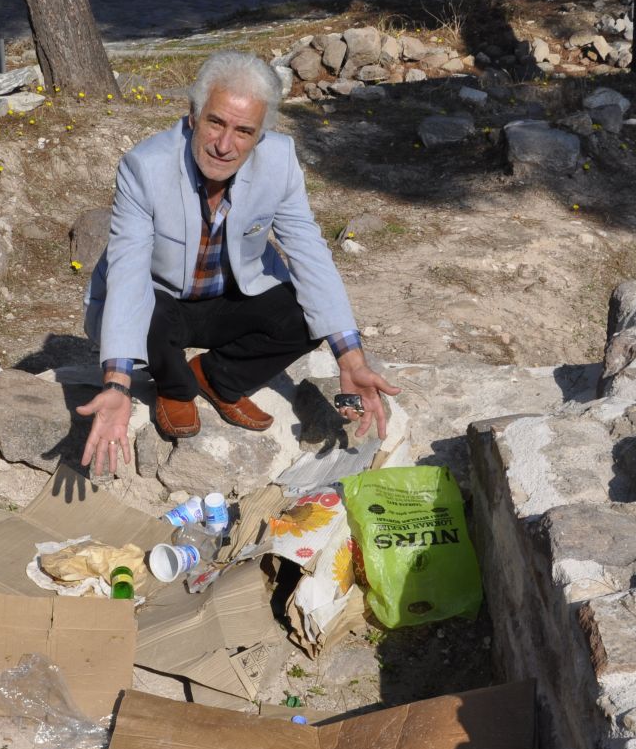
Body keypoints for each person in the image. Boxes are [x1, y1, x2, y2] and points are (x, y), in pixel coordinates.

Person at [78, 50, 398, 476]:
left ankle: (217, 377)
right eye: (215, 123)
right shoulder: (145, 167)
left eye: (243, 131)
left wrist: (351, 360)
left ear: (260, 136)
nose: (224, 146)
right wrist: (117, 383)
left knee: (306, 315)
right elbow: (127, 273)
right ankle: (175, 387)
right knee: (149, 314)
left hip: (227, 296)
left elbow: (308, 250)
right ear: (193, 115)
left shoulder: (279, 160)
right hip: (159, 299)